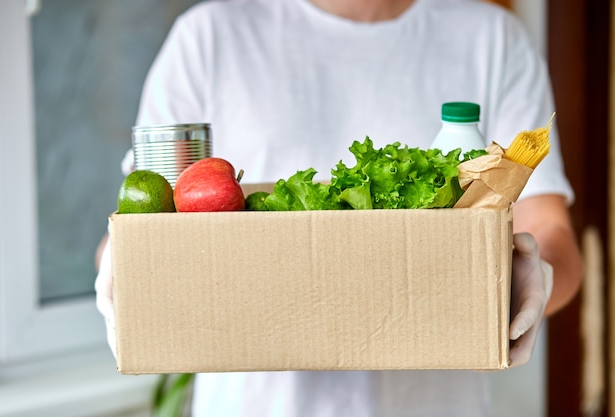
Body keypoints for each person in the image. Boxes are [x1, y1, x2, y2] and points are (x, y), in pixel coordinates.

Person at [95, 0, 583, 415]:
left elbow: (548, 225)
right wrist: (124, 269)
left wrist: (534, 276)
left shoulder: (491, 37)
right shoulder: (209, 37)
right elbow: (147, 215)